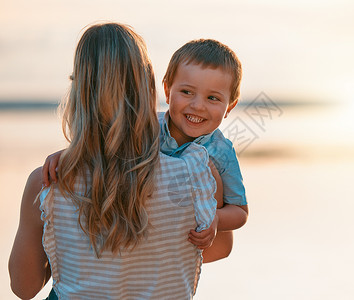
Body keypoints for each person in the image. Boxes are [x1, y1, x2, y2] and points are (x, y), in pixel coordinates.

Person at [9, 22, 217, 299]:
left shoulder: (48, 181)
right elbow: (218, 248)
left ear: (79, 92)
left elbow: (24, 287)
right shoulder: (197, 172)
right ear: (149, 86)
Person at [43, 39, 249, 262]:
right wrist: (70, 155)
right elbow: (107, 149)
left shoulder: (221, 152)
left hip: (189, 243)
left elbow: (240, 211)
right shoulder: (148, 127)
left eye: (212, 98)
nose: (198, 105)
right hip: (144, 235)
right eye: (187, 92)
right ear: (168, 91)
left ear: (229, 107)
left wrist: (216, 219)